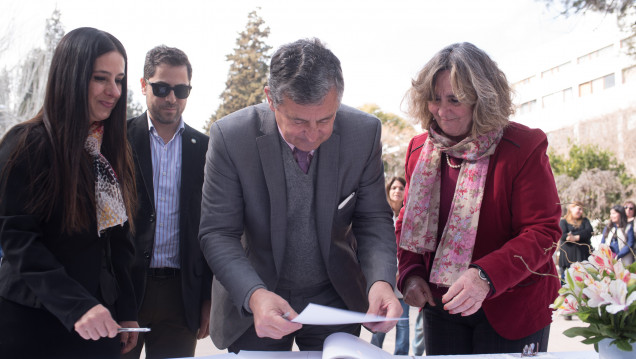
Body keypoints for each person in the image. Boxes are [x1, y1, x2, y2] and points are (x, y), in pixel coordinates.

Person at [199, 38, 401, 353]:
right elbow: (218, 232)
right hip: (258, 296)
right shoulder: (231, 137)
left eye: (325, 120)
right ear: (270, 99)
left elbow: (372, 217)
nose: (312, 134)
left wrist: (380, 281)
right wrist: (254, 294)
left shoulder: (363, 134)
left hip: (335, 298)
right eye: (297, 121)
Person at [396, 42, 562, 356]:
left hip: (513, 307)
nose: (442, 111)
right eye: (435, 98)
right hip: (442, 306)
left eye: (455, 100)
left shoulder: (523, 146)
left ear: (483, 99)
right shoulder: (419, 149)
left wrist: (485, 275)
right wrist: (411, 273)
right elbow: (409, 222)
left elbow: (543, 233)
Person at [0, 27, 139, 358]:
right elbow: (18, 243)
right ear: (71, 78)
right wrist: (76, 306)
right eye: (100, 78)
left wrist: (127, 309)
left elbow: (117, 242)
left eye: (119, 80)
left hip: (99, 325)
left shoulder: (110, 151)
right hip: (35, 324)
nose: (114, 91)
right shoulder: (26, 144)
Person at [124, 45, 211, 359]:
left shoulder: (206, 149)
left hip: (181, 295)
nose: (172, 98)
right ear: (144, 85)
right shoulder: (117, 140)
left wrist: (208, 299)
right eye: (161, 88)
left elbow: (212, 228)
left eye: (181, 89)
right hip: (126, 291)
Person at [371, 177, 411, 355]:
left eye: (401, 188)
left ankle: (401, 355)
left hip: (402, 279)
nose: (397, 191)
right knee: (380, 322)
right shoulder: (381, 215)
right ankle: (372, 353)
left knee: (403, 322)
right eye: (393, 187)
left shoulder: (410, 215)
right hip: (384, 279)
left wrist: (402, 272)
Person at [558, 201, 593, 281]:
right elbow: (563, 235)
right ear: (571, 208)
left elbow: (589, 232)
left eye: (582, 209)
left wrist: (575, 237)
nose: (580, 211)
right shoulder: (564, 222)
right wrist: (579, 236)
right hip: (567, 261)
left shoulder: (585, 221)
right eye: (579, 209)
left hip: (583, 259)